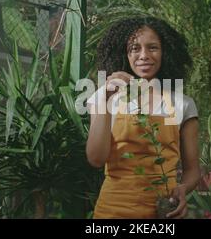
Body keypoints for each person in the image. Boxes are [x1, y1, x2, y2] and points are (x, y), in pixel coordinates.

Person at [86, 17, 200, 219]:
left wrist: (182, 189)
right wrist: (105, 98)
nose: (144, 55)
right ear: (124, 53)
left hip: (164, 212)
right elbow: (96, 159)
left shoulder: (183, 103)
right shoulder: (105, 97)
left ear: (166, 52)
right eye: (134, 48)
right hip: (112, 212)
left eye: (153, 47)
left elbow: (192, 170)